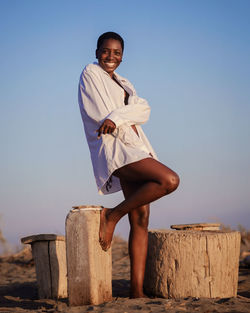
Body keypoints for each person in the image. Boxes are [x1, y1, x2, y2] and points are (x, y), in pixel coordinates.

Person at [78, 32, 179, 298]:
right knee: (169, 180)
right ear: (96, 51)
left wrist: (117, 116)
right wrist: (121, 116)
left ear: (123, 56)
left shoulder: (126, 83)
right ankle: (111, 215)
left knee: (142, 219)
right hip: (115, 148)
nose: (111, 57)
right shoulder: (90, 73)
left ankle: (136, 291)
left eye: (117, 53)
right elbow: (100, 114)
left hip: (135, 147)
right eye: (106, 51)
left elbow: (143, 110)